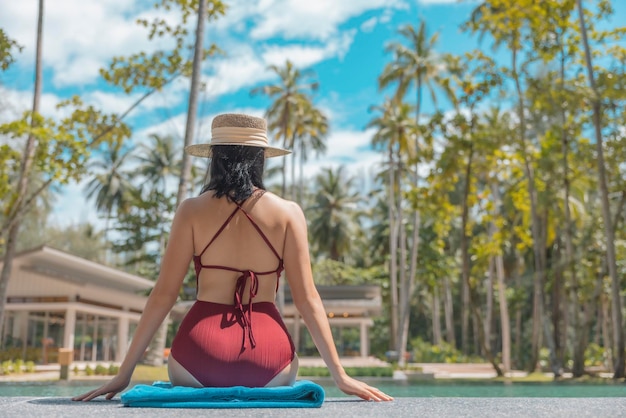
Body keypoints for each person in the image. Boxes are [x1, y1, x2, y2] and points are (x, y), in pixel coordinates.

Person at [73, 113, 393, 402]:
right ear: (261, 158)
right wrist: (340, 375)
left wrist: (123, 375)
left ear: (215, 157)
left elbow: (163, 296)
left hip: (196, 360)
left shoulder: (191, 211)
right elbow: (307, 299)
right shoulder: (288, 213)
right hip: (271, 363)